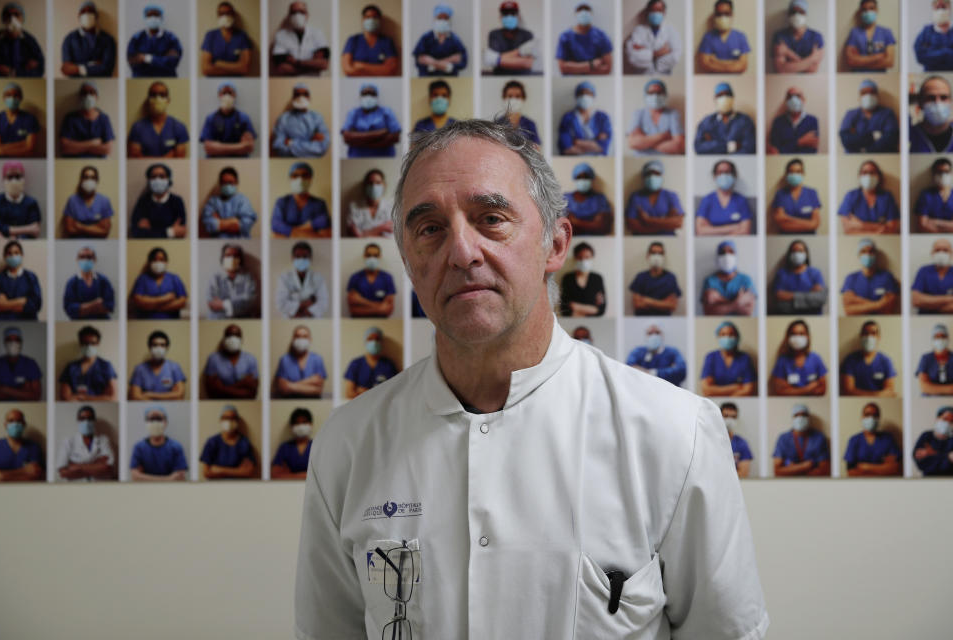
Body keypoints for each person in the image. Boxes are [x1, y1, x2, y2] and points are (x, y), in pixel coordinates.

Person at [295, 119, 767, 638]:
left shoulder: (674, 433)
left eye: (491, 218)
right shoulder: (349, 446)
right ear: (408, 260)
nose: (462, 252)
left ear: (555, 245)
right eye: (430, 229)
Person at [126, 81, 190, 158]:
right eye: (153, 95)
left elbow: (180, 157)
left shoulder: (179, 127)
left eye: (162, 95)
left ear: (168, 100)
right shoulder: (137, 127)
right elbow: (135, 157)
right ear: (148, 100)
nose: (157, 98)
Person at [837, 160, 899, 234]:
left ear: (878, 176)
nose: (868, 176)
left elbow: (892, 228)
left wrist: (860, 225)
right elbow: (848, 230)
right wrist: (879, 228)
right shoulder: (851, 196)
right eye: (864, 173)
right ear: (859, 176)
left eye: (872, 172)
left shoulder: (887, 197)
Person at [838, 79, 899, 153]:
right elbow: (846, 140)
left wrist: (864, 148)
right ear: (860, 96)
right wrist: (874, 135)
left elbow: (891, 139)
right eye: (864, 93)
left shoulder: (887, 113)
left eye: (872, 92)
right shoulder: (851, 114)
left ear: (877, 95)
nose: (868, 96)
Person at [840, 238, 899, 315]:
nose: (867, 255)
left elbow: (888, 310)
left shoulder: (887, 277)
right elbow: (848, 310)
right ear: (859, 255)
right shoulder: (851, 278)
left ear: (875, 255)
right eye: (863, 251)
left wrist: (858, 304)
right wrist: (879, 304)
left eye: (871, 251)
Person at [341, 82, 401, 157]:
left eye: (372, 94)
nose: (368, 97)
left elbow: (395, 137)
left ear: (376, 96)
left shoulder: (386, 111)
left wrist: (357, 138)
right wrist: (380, 133)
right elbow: (346, 137)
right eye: (365, 94)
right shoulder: (353, 113)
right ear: (360, 96)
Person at [624, 160, 684, 235]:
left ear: (661, 176)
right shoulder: (636, 197)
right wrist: (666, 222)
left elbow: (678, 223)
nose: (652, 177)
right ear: (643, 177)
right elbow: (632, 226)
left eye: (656, 174)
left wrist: (647, 220)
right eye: (648, 174)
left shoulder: (671, 196)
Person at [694, 82, 756, 155]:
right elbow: (699, 147)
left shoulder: (745, 121)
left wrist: (713, 146)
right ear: (715, 99)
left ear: (733, 98)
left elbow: (749, 149)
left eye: (727, 94)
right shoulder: (707, 122)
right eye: (720, 95)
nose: (724, 98)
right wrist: (731, 146)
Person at [58, 325, 116, 401]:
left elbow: (112, 398)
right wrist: (99, 398)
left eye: (93, 343)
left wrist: (84, 398)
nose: (89, 346)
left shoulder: (106, 366)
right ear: (80, 344)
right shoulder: (71, 367)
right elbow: (65, 397)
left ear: (98, 344)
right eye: (85, 343)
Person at [626, 79, 685, 155]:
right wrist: (663, 136)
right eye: (651, 93)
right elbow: (632, 143)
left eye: (659, 93)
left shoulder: (673, 114)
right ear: (645, 96)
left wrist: (644, 142)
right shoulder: (638, 114)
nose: (655, 96)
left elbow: (679, 146)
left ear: (665, 95)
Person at [270, 1, 329, 76]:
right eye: (294, 12)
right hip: (287, 83)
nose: (297, 15)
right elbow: (281, 69)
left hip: (314, 83)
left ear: (307, 15)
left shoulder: (317, 34)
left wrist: (295, 62)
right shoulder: (281, 36)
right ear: (289, 16)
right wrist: (312, 65)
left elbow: (323, 64)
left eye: (301, 12)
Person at [57, 405, 115, 482]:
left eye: (90, 419)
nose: (86, 422)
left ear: (94, 421)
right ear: (78, 420)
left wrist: (77, 466)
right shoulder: (68, 442)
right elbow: (63, 473)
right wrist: (97, 465)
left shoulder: (104, 440)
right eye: (82, 419)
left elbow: (108, 469)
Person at [271, 162, 330, 238]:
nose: (300, 179)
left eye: (304, 175)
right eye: (295, 176)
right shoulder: (282, 202)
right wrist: (307, 229)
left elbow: (324, 221)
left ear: (310, 179)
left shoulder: (319, 203)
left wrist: (290, 231)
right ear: (290, 179)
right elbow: (275, 224)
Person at [770, 319, 827, 396]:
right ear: (788, 337)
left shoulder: (816, 359)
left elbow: (822, 390)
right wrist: (808, 389)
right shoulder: (782, 360)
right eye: (793, 334)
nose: (797, 338)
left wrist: (791, 389)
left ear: (807, 336)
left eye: (801, 334)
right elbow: (780, 391)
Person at [130, 405, 188, 481]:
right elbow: (135, 477)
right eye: (151, 419)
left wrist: (145, 478)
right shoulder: (139, 448)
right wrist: (169, 479)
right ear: (146, 422)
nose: (155, 422)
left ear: (165, 422)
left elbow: (180, 477)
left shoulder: (175, 447)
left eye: (158, 419)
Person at [271, 83, 330, 157]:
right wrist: (310, 142)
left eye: (305, 94)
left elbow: (322, 148)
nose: (301, 97)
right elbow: (279, 148)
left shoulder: (317, 118)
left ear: (309, 97)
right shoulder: (283, 119)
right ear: (293, 98)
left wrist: (291, 143)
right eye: (297, 94)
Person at [60, 0, 116, 77]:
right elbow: (66, 69)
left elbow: (107, 69)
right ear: (79, 16)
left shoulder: (108, 40)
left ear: (96, 16)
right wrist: (92, 65)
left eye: (90, 11)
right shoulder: (70, 39)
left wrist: (77, 67)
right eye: (83, 12)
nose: (87, 14)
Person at [129, 163, 187, 238]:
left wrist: (150, 230)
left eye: (162, 176)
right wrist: (170, 232)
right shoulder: (143, 201)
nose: (157, 180)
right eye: (153, 177)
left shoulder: (177, 201)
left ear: (168, 179)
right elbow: (136, 232)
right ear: (149, 181)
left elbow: (180, 232)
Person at [840, 320, 896, 396]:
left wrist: (859, 393)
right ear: (861, 336)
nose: (869, 337)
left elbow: (890, 392)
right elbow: (848, 391)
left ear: (878, 337)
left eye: (873, 333)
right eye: (866, 333)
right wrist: (878, 395)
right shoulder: (850, 360)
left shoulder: (886, 361)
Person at [58, 81, 114, 157]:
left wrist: (76, 147)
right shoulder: (70, 118)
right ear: (80, 97)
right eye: (84, 93)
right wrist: (92, 143)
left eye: (92, 92)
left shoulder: (104, 119)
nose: (88, 96)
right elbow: (65, 148)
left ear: (97, 97)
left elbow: (107, 149)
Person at [128, 247, 188, 319]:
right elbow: (138, 301)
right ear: (149, 262)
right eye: (154, 260)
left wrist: (151, 304)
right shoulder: (142, 279)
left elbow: (182, 301)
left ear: (166, 262)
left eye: (161, 260)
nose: (158, 262)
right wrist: (165, 299)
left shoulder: (174, 278)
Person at [700, 320, 757, 396]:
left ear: (737, 337)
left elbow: (748, 390)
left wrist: (718, 391)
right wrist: (735, 387)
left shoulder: (745, 358)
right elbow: (707, 390)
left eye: (731, 334)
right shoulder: (711, 357)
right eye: (723, 334)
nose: (727, 337)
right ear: (718, 337)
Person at [843, 402, 901, 476]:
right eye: (867, 415)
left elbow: (895, 469)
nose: (871, 418)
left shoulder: (888, 439)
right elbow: (851, 472)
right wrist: (882, 468)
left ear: (879, 418)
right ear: (862, 417)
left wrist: (866, 467)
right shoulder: (854, 440)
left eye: (875, 415)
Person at [696, 160, 753, 235]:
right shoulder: (707, 200)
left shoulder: (741, 200)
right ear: (715, 176)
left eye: (727, 172)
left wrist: (712, 230)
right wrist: (732, 227)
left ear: (733, 175)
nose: (724, 176)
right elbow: (701, 231)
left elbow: (745, 231)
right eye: (720, 172)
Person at [199, 82, 255, 157]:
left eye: (230, 92)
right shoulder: (211, 118)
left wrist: (218, 147)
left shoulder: (243, 118)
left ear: (234, 95)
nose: (227, 96)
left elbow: (249, 147)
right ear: (219, 95)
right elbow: (209, 149)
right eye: (224, 93)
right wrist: (239, 147)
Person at [199, 405, 256, 479]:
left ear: (237, 421)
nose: (229, 421)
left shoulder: (244, 443)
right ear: (221, 420)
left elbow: (248, 472)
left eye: (232, 418)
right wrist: (238, 471)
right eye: (225, 418)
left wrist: (220, 470)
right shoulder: (212, 442)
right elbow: (206, 472)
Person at [624, 0, 681, 74]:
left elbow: (675, 57)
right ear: (647, 12)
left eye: (659, 10)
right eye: (652, 10)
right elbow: (632, 57)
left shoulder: (671, 31)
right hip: (642, 76)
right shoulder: (638, 31)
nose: (656, 14)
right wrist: (656, 54)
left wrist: (646, 52)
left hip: (664, 75)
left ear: (664, 13)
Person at [771, 239, 827, 315]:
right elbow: (780, 303)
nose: (797, 253)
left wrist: (791, 297)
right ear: (789, 254)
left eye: (800, 251)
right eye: (794, 251)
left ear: (806, 254)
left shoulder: (816, 273)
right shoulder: (782, 273)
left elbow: (820, 299)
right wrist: (809, 295)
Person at [202, 324, 259, 399]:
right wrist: (242, 384)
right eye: (229, 335)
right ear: (224, 338)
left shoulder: (250, 359)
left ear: (241, 339)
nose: (233, 339)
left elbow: (252, 394)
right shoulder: (213, 359)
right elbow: (212, 392)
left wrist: (222, 389)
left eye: (236, 335)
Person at [701, 240, 757, 315]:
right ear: (717, 257)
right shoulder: (709, 281)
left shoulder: (745, 279)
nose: (726, 256)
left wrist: (719, 300)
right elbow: (709, 313)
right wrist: (738, 303)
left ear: (736, 255)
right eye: (722, 253)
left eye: (731, 252)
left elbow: (748, 312)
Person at [772, 404, 830, 477]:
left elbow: (824, 471)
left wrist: (792, 469)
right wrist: (804, 466)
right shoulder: (783, 438)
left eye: (804, 415)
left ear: (808, 418)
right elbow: (777, 472)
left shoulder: (819, 438)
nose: (800, 418)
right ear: (793, 418)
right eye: (797, 415)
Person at [126, 4, 183, 77]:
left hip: (167, 80)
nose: (153, 18)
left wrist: (146, 58)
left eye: (156, 15)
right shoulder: (137, 38)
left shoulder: (171, 38)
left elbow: (172, 62)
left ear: (161, 18)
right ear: (145, 18)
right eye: (150, 15)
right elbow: (133, 62)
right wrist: (162, 59)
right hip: (141, 81)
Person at [555, 2, 612, 75]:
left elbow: (607, 69)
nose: (584, 13)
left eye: (586, 10)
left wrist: (574, 68)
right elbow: (562, 68)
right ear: (576, 14)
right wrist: (591, 64)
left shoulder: (601, 36)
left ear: (591, 14)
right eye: (580, 10)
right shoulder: (565, 37)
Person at [341, 4, 398, 76]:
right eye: (367, 17)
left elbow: (391, 70)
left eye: (374, 17)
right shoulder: (353, 40)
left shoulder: (387, 42)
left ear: (379, 20)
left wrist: (360, 66)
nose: (371, 20)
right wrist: (380, 69)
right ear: (362, 20)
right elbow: (348, 69)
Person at [275, 241, 329, 319]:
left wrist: (303, 311)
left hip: (313, 320)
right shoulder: (284, 278)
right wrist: (306, 303)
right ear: (292, 258)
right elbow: (280, 304)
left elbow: (323, 303)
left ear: (310, 258)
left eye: (305, 256)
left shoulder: (319, 278)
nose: (301, 259)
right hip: (290, 320)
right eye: (297, 256)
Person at [128, 330, 186, 401]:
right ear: (149, 347)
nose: (159, 348)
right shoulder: (140, 369)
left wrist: (149, 395)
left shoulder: (174, 367)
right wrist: (169, 395)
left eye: (162, 345)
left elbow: (179, 395)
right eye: (155, 345)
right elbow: (135, 396)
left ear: (167, 348)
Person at [200, 166, 257, 238]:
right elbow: (208, 224)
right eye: (224, 183)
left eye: (230, 182)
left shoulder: (243, 200)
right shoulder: (212, 202)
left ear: (236, 183)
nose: (227, 186)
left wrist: (219, 222)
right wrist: (234, 221)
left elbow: (246, 224)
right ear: (220, 184)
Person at [200, 1, 254, 77]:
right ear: (218, 16)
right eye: (221, 14)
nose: (225, 16)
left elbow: (245, 68)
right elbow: (205, 69)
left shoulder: (242, 36)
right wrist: (236, 68)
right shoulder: (210, 36)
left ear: (233, 15)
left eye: (228, 13)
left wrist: (219, 64)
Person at [343, 326, 398, 399]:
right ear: (365, 342)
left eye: (377, 339)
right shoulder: (356, 364)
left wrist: (364, 392)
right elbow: (349, 393)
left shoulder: (388, 365)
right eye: (370, 339)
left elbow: (394, 392)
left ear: (381, 342)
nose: (374, 342)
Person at [557, 81, 612, 155]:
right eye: (581, 93)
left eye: (588, 93)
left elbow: (603, 146)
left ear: (593, 96)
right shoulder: (568, 118)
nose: (584, 96)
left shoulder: (603, 117)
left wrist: (576, 142)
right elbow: (566, 148)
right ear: (576, 96)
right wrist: (593, 144)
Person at [412, 4, 467, 76]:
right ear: (435, 18)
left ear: (449, 20)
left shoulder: (455, 39)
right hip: (427, 78)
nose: (443, 20)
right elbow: (419, 60)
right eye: (440, 18)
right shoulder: (426, 38)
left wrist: (432, 63)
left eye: (446, 18)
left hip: (451, 79)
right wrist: (449, 61)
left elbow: (462, 61)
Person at [696, 0, 750, 73]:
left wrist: (716, 61)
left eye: (726, 13)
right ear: (715, 16)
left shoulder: (740, 37)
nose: (723, 17)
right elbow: (704, 65)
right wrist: (733, 63)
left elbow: (743, 66)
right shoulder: (708, 37)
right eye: (719, 14)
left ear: (732, 15)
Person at [62, 244, 115, 320]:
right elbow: (70, 309)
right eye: (82, 257)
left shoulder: (103, 280)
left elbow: (109, 306)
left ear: (95, 259)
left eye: (89, 257)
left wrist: (82, 309)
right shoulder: (72, 282)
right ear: (77, 259)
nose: (85, 260)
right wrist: (95, 304)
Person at [771, 0, 824, 73]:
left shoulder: (816, 37)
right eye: (793, 12)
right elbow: (781, 69)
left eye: (801, 12)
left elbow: (812, 70)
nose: (796, 15)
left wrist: (788, 53)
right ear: (789, 14)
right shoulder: (779, 36)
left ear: (806, 14)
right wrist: (811, 58)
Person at [629, 241, 681, 315]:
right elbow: (638, 305)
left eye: (660, 253)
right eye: (653, 253)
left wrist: (648, 301)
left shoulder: (671, 278)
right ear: (648, 256)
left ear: (664, 256)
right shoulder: (640, 277)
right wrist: (663, 304)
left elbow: (672, 306)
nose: (657, 256)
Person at [484, 1, 536, 75]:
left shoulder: (527, 35)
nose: (509, 17)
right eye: (505, 14)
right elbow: (490, 61)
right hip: (499, 76)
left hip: (523, 75)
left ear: (518, 16)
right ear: (500, 17)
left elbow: (528, 63)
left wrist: (497, 59)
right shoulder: (494, 34)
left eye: (512, 14)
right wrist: (520, 52)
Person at [0, 3, 44, 77]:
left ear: (22, 18)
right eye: (8, 15)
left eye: (16, 14)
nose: (12, 19)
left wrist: (13, 73)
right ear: (3, 18)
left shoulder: (30, 40)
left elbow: (39, 69)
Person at [206, 243, 257, 319]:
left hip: (243, 320)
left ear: (240, 259)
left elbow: (250, 303)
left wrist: (224, 304)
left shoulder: (248, 278)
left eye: (235, 256)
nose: (232, 258)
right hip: (218, 319)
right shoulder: (215, 278)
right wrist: (238, 304)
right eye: (228, 255)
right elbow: (211, 304)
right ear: (222, 258)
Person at [274, 326, 326, 398]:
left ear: (310, 339)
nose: (301, 339)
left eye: (305, 336)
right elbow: (283, 389)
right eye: (298, 336)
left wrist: (289, 385)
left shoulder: (317, 359)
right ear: (293, 339)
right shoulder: (284, 360)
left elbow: (318, 390)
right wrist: (310, 381)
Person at [771, 158, 821, 234]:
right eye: (791, 172)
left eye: (798, 172)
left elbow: (815, 224)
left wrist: (787, 218)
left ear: (803, 173)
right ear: (787, 174)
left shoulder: (812, 193)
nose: (794, 175)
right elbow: (782, 225)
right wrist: (808, 224)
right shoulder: (780, 194)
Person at [60, 165, 112, 238]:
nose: (89, 181)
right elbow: (70, 229)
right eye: (86, 177)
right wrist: (96, 227)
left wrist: (80, 226)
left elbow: (104, 231)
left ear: (97, 180)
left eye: (92, 178)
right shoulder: (72, 200)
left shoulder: (104, 201)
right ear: (81, 180)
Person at [843, 0, 896, 72]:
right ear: (861, 13)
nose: (868, 12)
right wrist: (877, 57)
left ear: (876, 10)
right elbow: (850, 61)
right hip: (858, 78)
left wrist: (860, 61)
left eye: (871, 8)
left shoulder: (886, 32)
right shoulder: (854, 33)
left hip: (880, 79)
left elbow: (890, 62)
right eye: (864, 10)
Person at [0, 240, 40, 319]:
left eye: (16, 253)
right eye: (9, 253)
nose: (13, 256)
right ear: (5, 256)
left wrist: (6, 305)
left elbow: (36, 304)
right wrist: (21, 301)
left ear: (21, 255)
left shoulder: (31, 277)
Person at [346, 243, 396, 317]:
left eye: (375, 256)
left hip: (382, 323)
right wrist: (380, 308)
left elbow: (388, 310)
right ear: (364, 256)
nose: (372, 258)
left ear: (380, 257)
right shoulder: (355, 277)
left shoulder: (387, 278)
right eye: (369, 255)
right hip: (358, 323)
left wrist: (360, 301)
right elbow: (353, 310)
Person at [0, 408, 42, 481]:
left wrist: (2, 476)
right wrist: (24, 471)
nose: (15, 424)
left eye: (18, 421)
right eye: (11, 421)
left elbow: (35, 475)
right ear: (5, 424)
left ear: (24, 424)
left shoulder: (33, 447)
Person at [0, 161, 40, 238]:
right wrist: (28, 229)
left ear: (23, 178)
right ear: (3, 179)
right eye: (10, 177)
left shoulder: (32, 203)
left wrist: (7, 235)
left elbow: (35, 231)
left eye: (18, 176)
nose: (14, 181)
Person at [564, 163, 612, 235]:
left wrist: (575, 222)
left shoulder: (600, 199)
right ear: (575, 179)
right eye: (579, 177)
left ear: (591, 179)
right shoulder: (565, 199)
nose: (583, 180)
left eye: (586, 177)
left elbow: (603, 227)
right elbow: (564, 228)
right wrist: (592, 224)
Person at [767, 86, 819, 154]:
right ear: (786, 100)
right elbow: (775, 152)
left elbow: (811, 151)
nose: (794, 100)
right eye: (790, 96)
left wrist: (786, 148)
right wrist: (800, 142)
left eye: (797, 96)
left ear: (803, 99)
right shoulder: (778, 122)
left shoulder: (812, 121)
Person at [0, 326, 40, 401]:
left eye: (16, 340)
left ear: (21, 343)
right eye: (9, 340)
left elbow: (36, 396)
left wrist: (4, 389)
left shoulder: (30, 363)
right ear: (4, 343)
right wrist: (23, 392)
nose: (13, 343)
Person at [559, 242, 605, 317]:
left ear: (592, 258)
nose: (583, 261)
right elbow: (564, 310)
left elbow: (601, 310)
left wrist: (576, 307)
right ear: (575, 259)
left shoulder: (597, 279)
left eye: (587, 257)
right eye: (580, 257)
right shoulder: (567, 278)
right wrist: (591, 309)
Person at [0, 82, 38, 157]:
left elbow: (30, 149)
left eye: (16, 95)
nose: (12, 98)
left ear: (21, 98)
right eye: (8, 95)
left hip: (24, 163)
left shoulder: (30, 119)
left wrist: (2, 149)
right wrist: (22, 144)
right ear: (3, 98)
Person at [911, 75, 953, 152]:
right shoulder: (909, 135)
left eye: (943, 97)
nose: (938, 103)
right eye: (931, 98)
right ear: (920, 102)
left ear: (950, 102)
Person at [346, 168, 393, 237]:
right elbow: (356, 236)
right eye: (370, 183)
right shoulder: (354, 207)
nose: (374, 186)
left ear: (384, 185)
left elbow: (390, 237)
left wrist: (366, 233)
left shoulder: (391, 207)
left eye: (378, 183)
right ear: (365, 186)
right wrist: (382, 228)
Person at [912, 238, 953, 314]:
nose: (941, 253)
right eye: (937, 250)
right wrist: (949, 299)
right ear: (932, 253)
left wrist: (928, 304)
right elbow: (916, 300)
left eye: (945, 250)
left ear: (951, 253)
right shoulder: (924, 270)